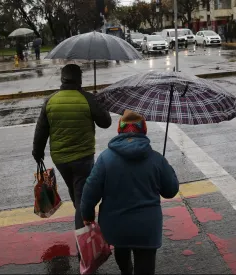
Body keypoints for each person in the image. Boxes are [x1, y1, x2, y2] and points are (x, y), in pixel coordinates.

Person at [80, 110, 179, 275]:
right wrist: (166, 167)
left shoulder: (105, 159)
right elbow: (171, 191)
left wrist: (87, 216)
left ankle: (126, 270)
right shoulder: (156, 159)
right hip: (147, 228)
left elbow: (90, 192)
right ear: (144, 130)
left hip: (115, 225)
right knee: (145, 265)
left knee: (122, 245)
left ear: (120, 130)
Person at [32, 64, 112, 233]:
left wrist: (37, 153)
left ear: (62, 79)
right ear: (80, 79)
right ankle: (83, 243)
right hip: (83, 158)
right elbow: (106, 122)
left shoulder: (51, 100)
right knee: (82, 196)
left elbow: (41, 131)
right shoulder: (87, 98)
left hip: (60, 159)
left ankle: (82, 213)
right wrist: (99, 103)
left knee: (75, 190)